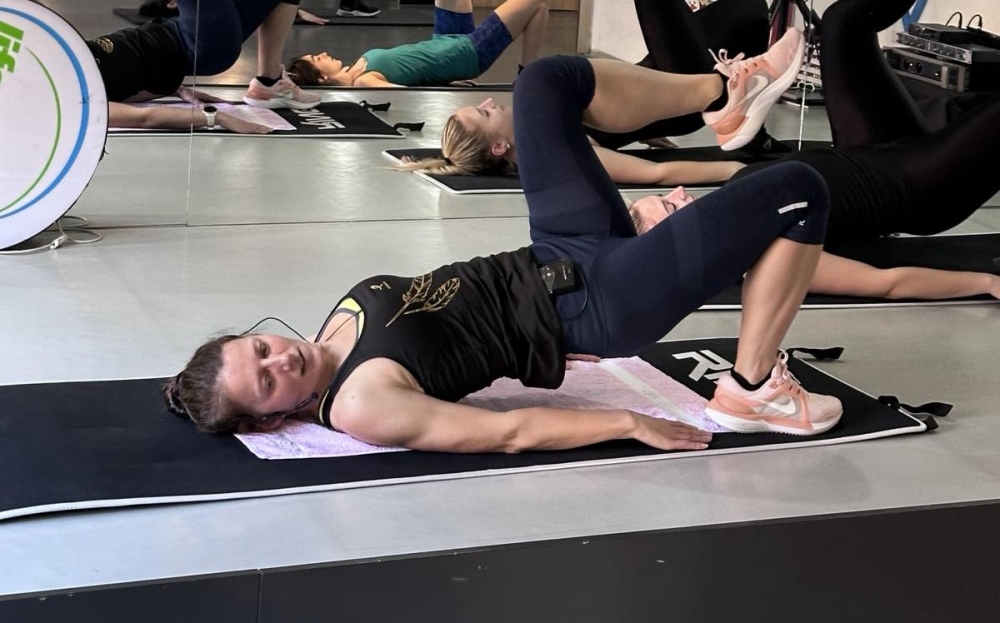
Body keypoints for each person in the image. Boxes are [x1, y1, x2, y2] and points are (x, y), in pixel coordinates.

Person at [165, 53, 845, 453]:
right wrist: (628, 421)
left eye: (259, 350)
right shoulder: (359, 405)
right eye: (267, 381)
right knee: (798, 189)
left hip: (561, 248)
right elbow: (507, 430)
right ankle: (752, 390)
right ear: (272, 417)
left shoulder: (331, 328)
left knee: (544, 84)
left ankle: (723, 98)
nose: (279, 359)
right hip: (602, 305)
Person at [627, 0, 1000, 302]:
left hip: (870, 147)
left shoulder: (729, 206)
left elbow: (673, 172)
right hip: (919, 186)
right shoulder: (763, 255)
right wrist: (986, 282)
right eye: (670, 207)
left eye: (664, 197)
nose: (678, 193)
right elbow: (887, 283)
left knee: (843, 20)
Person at [401, 0, 790, 179]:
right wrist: (738, 170)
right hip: (689, 88)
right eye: (484, 113)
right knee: (743, 17)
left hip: (665, 73)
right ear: (500, 147)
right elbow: (655, 173)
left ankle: (746, 117)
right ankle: (729, 103)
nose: (489, 101)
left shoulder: (538, 117)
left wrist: (644, 125)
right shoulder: (551, 149)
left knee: (747, 13)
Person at [94, 0, 321, 134]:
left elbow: (130, 82)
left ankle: (269, 81)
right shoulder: (80, 102)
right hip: (203, 45)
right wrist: (218, 118)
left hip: (186, 29)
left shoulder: (73, 62)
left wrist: (177, 89)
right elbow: (146, 117)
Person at [285, 0, 549, 88]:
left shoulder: (356, 68)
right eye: (317, 59)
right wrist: (446, 82)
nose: (323, 53)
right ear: (322, 78)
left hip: (445, 38)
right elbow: (409, 92)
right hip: (468, 53)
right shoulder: (364, 81)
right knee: (537, 3)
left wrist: (445, 80)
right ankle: (526, 77)